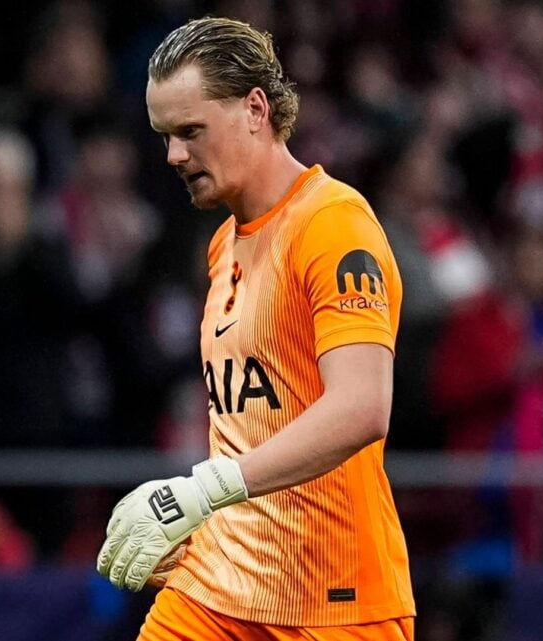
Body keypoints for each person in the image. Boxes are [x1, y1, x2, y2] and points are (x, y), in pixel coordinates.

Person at [96, 18, 415, 640]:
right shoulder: (224, 246)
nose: (174, 155)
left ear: (254, 109)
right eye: (165, 136)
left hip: (336, 599)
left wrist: (201, 491)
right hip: (221, 587)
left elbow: (362, 408)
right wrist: (200, 517)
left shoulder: (333, 224)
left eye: (191, 131)